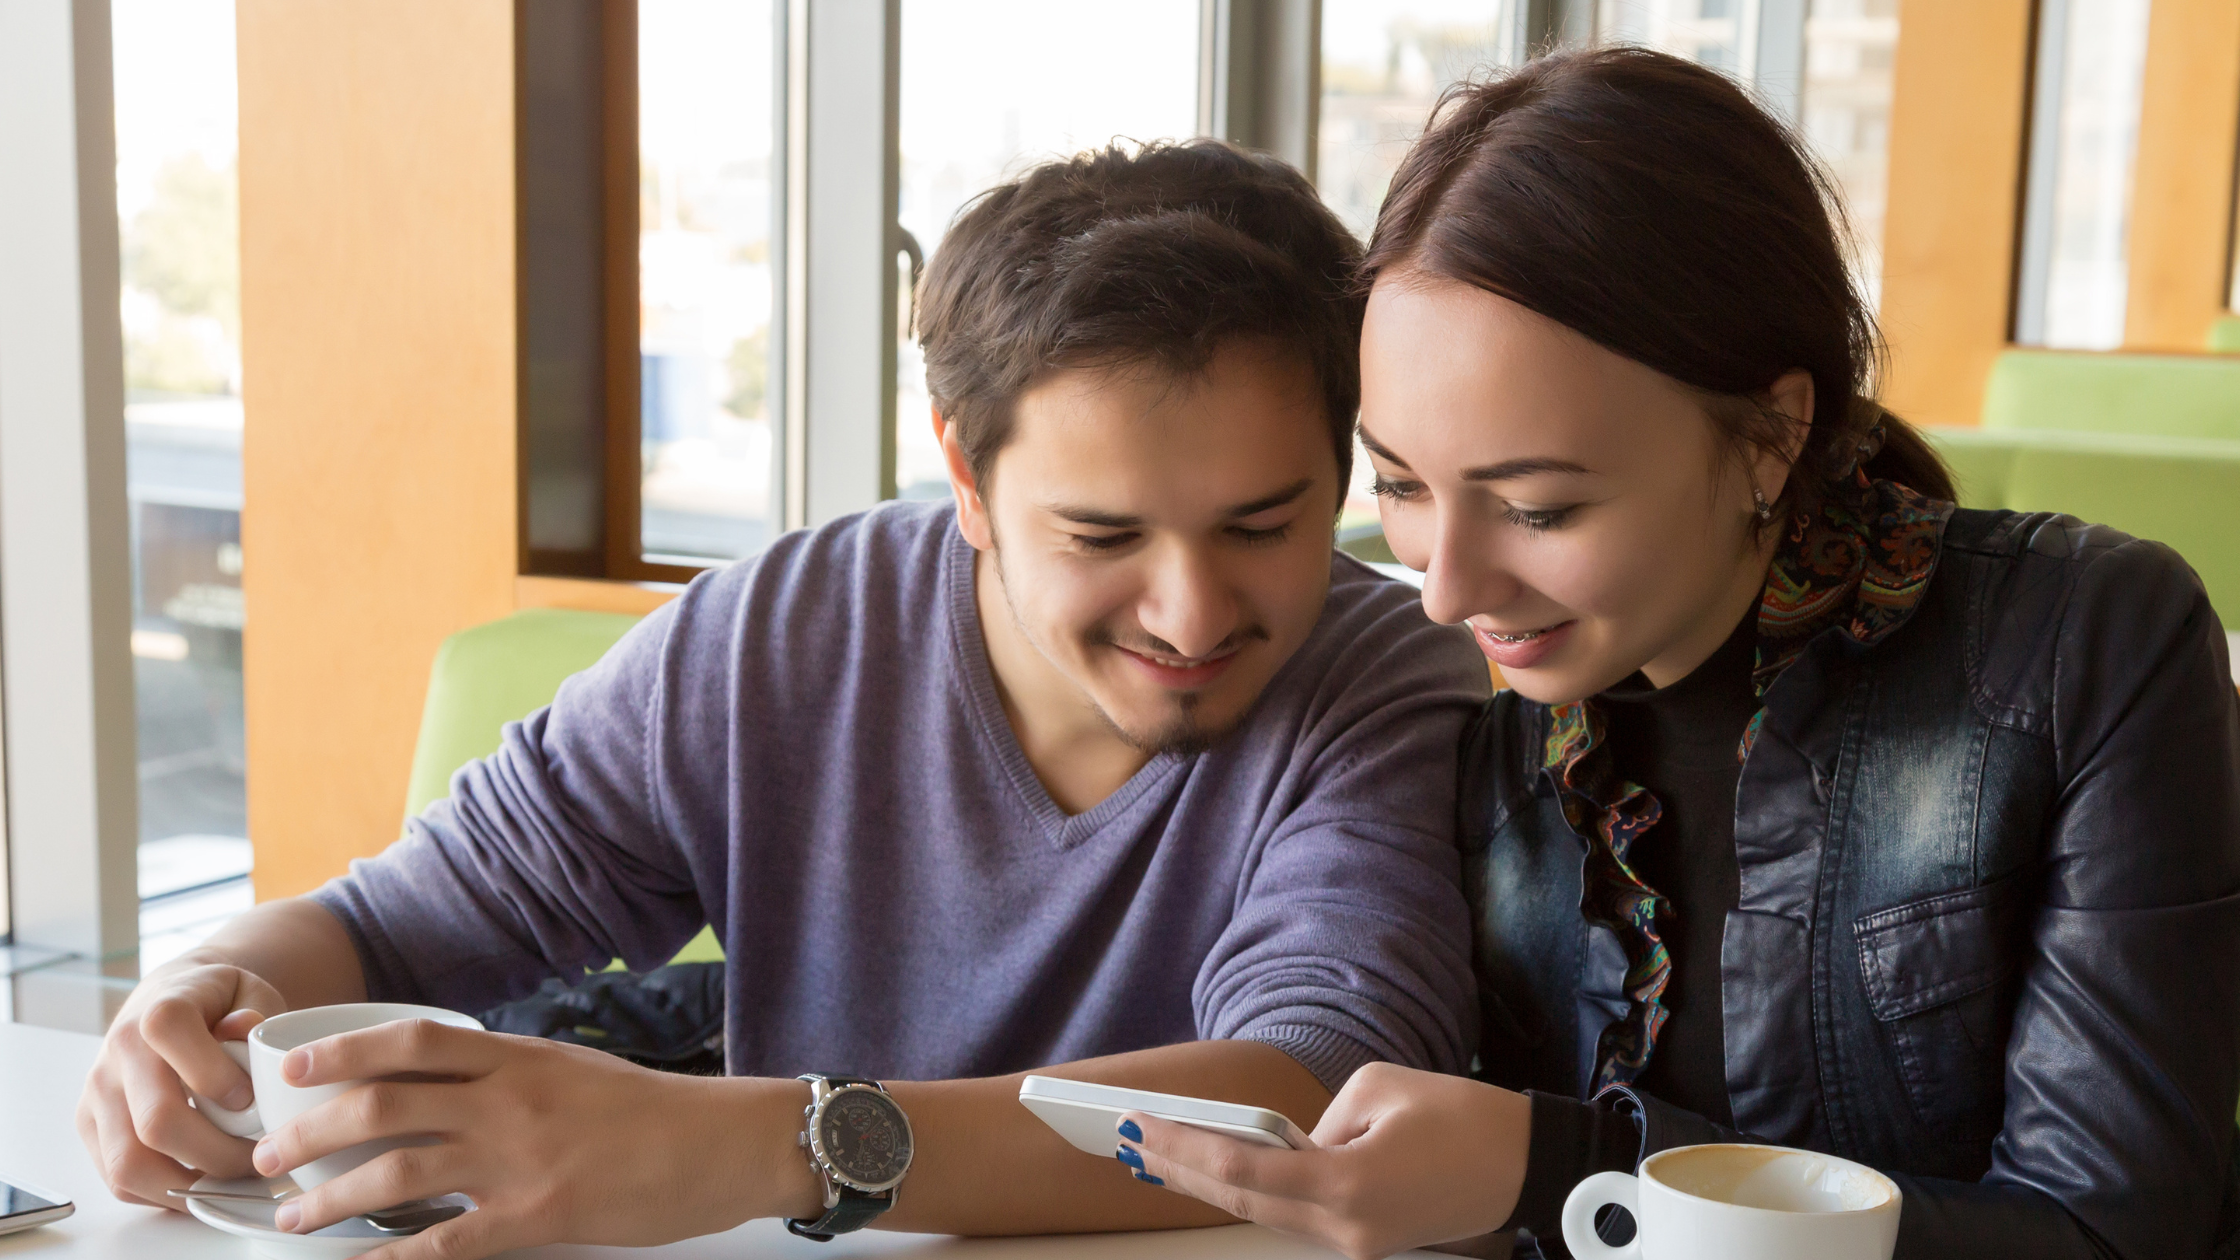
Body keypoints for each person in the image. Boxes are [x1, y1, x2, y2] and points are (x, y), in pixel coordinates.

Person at [77, 141, 1489, 1258]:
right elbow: (386, 928)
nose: (1190, 612)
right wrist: (198, 992)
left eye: (1263, 526)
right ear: (967, 476)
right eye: (1103, 538)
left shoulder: (1388, 676)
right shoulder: (780, 633)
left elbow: (1313, 1099)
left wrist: (769, 1146)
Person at [1118, 48, 2240, 1259]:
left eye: (1537, 508)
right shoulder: (1479, 725)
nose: (1445, 589)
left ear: (1770, 434)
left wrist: (1569, 1170)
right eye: (1396, 484)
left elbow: (2119, 1234)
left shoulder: (2083, 648)